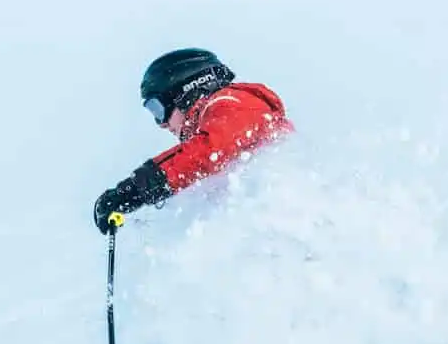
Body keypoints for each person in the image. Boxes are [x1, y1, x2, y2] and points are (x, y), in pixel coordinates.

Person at [92, 48, 295, 234]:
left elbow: (209, 150)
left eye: (158, 109)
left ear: (185, 92)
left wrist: (136, 189)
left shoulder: (232, 102)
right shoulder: (213, 149)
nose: (162, 124)